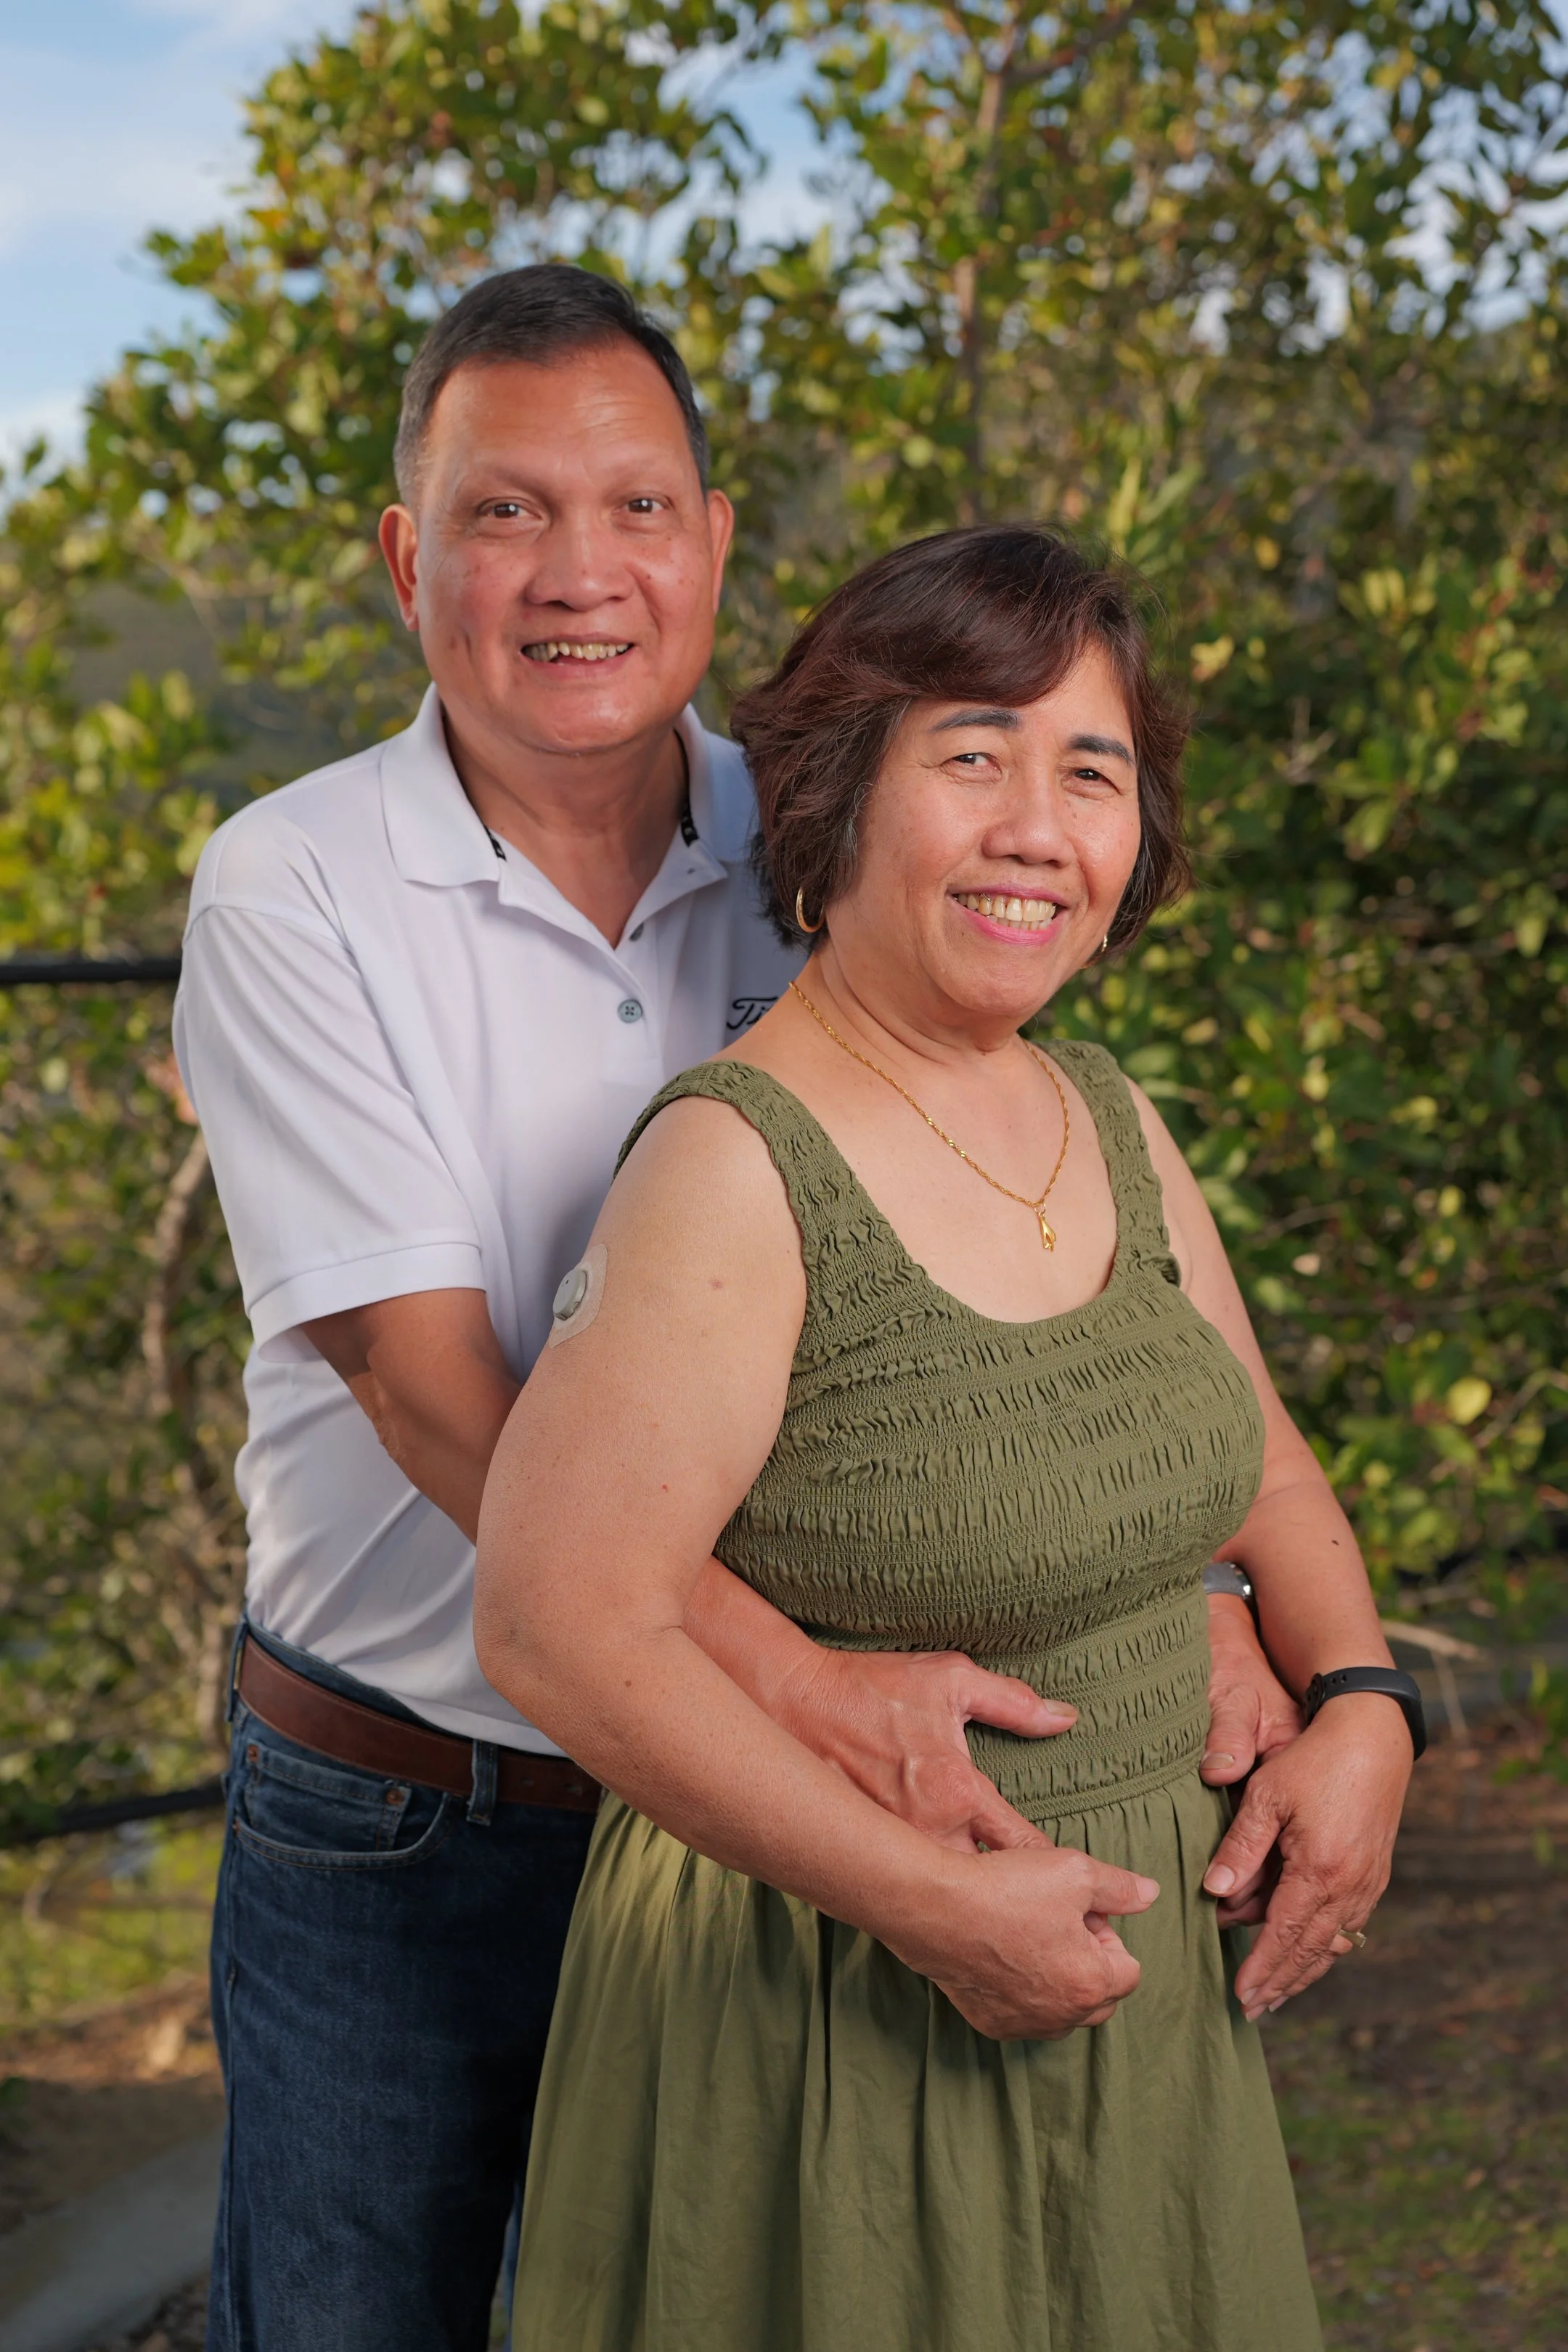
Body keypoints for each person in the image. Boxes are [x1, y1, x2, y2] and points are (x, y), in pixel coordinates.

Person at [175, 266, 1289, 2351]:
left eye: (637, 507)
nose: (578, 570)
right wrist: (796, 1687)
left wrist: (1213, 1595)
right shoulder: (291, 888)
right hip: (427, 1807)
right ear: (413, 558)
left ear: (710, 543)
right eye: (507, 513)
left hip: (757, 1827)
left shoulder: (830, 834)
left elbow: (1016, 1288)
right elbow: (441, 1411)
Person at [475, 524, 1423, 2352]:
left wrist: (1365, 1702)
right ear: (839, 793)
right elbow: (554, 1625)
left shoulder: (1103, 1114)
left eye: (1092, 770)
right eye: (972, 754)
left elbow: (1269, 1465)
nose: (1034, 827)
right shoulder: (737, 1169)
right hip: (835, 2003)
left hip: (1138, 2006)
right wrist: (926, 1905)